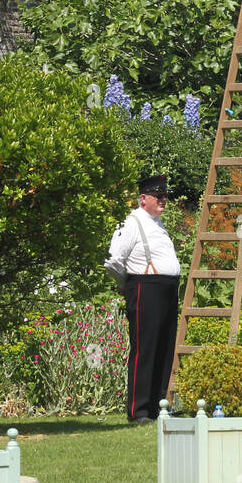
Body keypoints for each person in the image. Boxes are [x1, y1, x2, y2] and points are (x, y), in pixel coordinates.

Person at [105, 174, 181, 423]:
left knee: (164, 348)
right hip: (145, 287)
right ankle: (138, 411)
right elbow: (114, 260)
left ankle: (157, 407)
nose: (163, 200)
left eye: (165, 196)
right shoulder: (131, 223)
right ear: (144, 198)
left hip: (166, 289)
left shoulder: (157, 223)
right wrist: (124, 285)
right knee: (145, 349)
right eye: (158, 196)